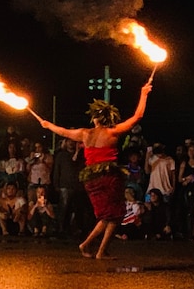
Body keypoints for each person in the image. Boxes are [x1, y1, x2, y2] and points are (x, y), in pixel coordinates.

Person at [32, 79, 152, 259]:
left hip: (91, 179)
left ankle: (90, 246)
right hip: (109, 176)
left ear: (95, 118)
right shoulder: (113, 132)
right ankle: (97, 249)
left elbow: (63, 131)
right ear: (109, 117)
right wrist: (143, 94)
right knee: (114, 215)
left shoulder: (84, 133)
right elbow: (137, 117)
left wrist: (48, 125)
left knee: (109, 215)